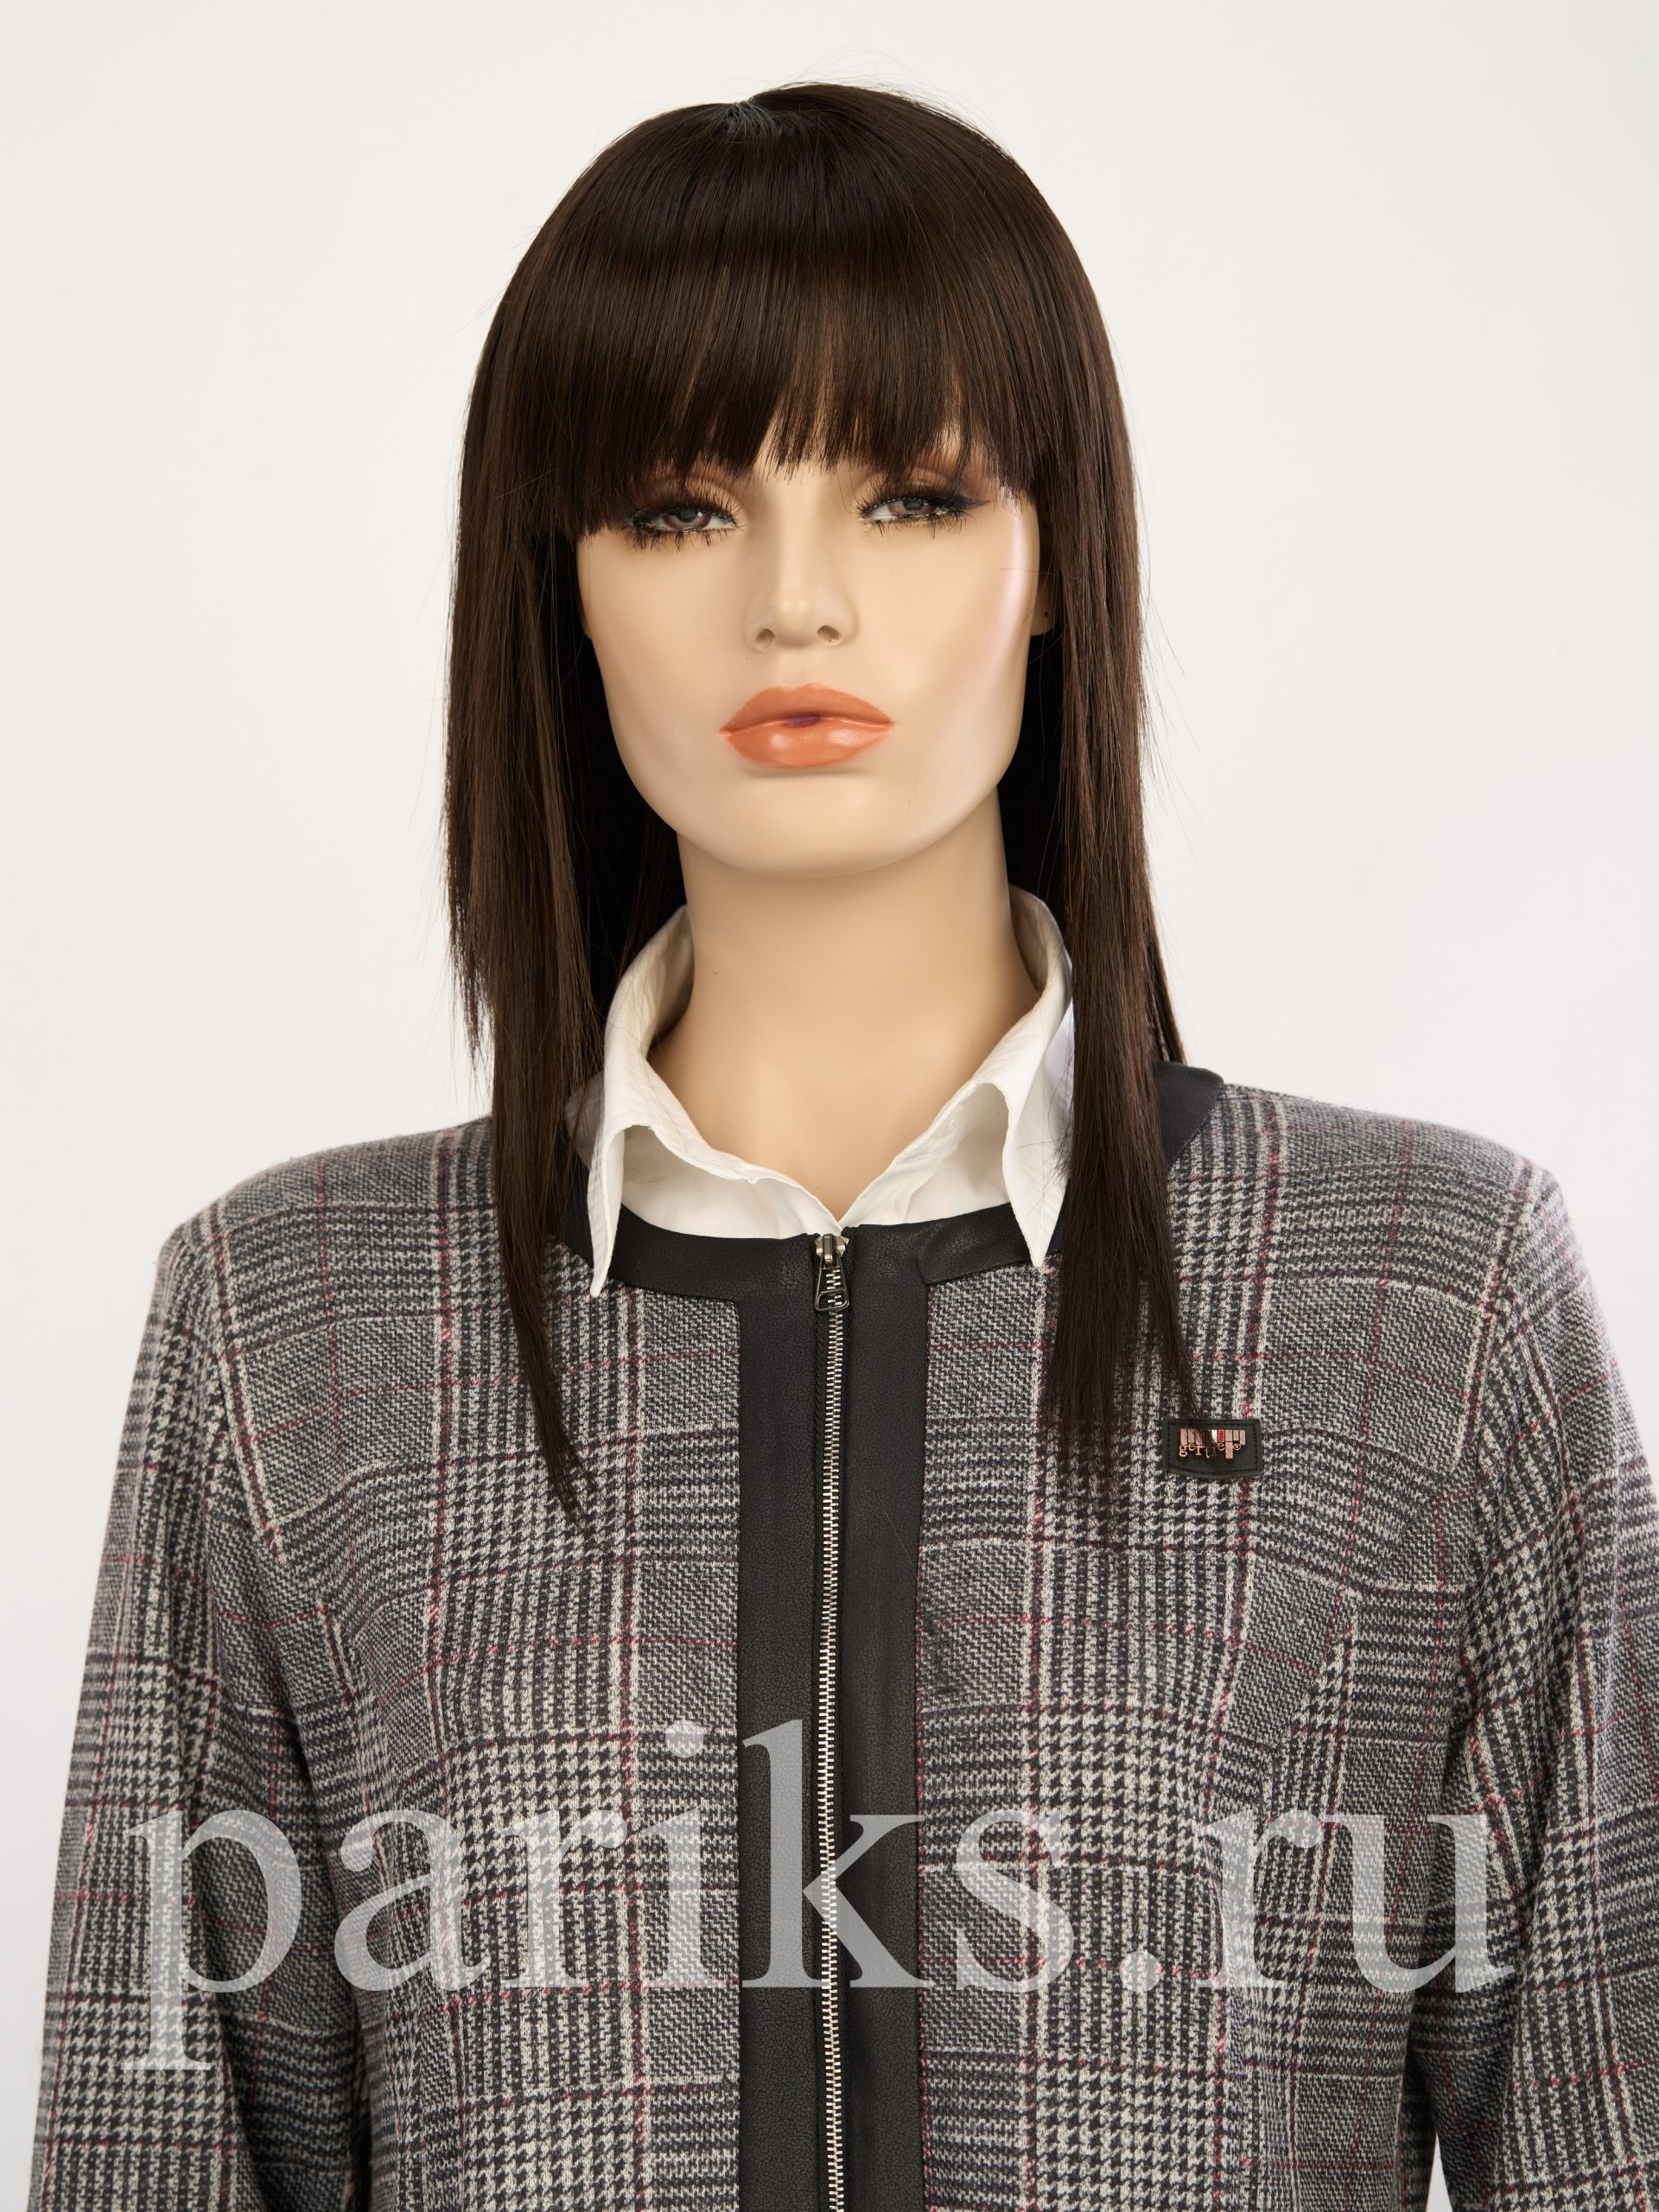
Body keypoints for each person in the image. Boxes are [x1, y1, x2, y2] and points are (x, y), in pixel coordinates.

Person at [28, 81, 1659, 2212]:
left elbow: (1613, 2137)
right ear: (562, 585)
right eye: (678, 510)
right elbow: (159, 2148)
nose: (794, 604)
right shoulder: (293, 1327)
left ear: (1055, 561)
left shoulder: (1426, 1295)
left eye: (908, 495)